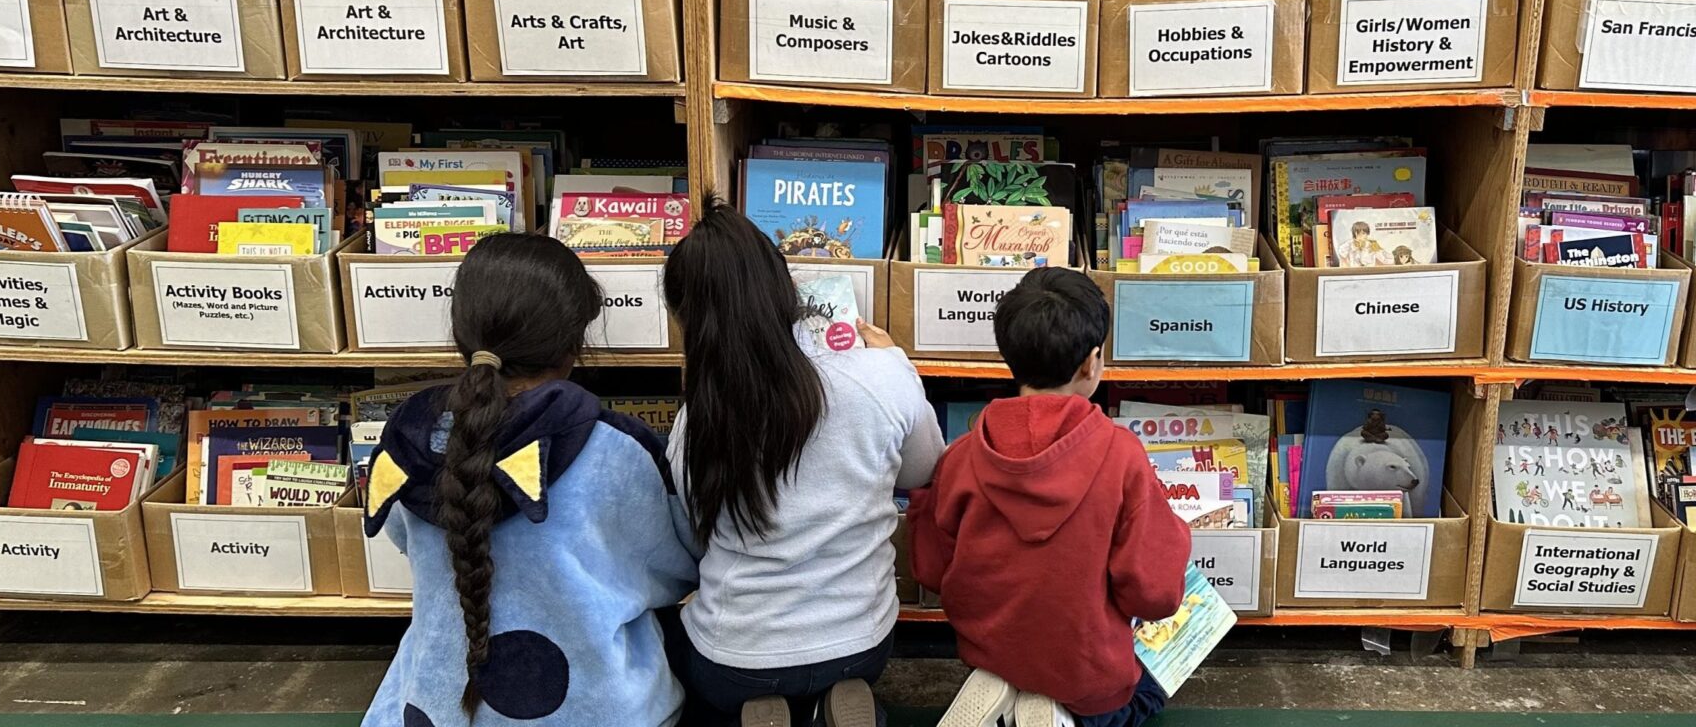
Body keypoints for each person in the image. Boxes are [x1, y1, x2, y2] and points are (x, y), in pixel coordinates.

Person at [361, 233, 699, 727]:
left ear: (462, 332)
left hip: (438, 706)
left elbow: (402, 538)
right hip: (601, 709)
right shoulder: (616, 448)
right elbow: (676, 566)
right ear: (572, 344)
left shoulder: (408, 442)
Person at [665, 201, 944, 727]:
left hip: (736, 655)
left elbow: (697, 533)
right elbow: (922, 471)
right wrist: (896, 361)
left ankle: (761, 709)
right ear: (786, 288)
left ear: (687, 321)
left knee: (684, 655)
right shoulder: (878, 376)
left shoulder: (692, 423)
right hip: (861, 641)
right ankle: (828, 705)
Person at [911, 268, 1191, 727]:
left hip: (991, 647)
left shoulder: (960, 457)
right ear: (1092, 362)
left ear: (1007, 354)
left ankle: (1012, 687)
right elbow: (1154, 595)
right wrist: (1174, 534)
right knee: (1150, 689)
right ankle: (1062, 714)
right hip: (1088, 671)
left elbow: (932, 570)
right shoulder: (1122, 456)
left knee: (1021, 648)